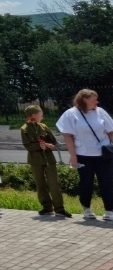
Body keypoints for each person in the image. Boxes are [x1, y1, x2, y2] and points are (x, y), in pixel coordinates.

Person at [57, 88, 113, 222]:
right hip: (83, 154)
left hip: (103, 155)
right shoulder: (71, 114)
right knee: (86, 183)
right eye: (94, 99)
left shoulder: (101, 112)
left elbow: (111, 131)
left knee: (107, 182)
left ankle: (110, 210)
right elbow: (68, 136)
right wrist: (73, 156)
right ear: (85, 99)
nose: (97, 102)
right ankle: (87, 209)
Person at [21, 105, 70, 217]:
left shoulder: (43, 127)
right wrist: (40, 146)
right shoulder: (24, 129)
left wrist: (50, 145)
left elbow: (53, 141)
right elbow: (28, 145)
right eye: (40, 113)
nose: (42, 115)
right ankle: (47, 207)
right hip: (35, 160)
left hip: (49, 159)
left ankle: (60, 209)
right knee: (40, 184)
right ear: (33, 115)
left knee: (54, 184)